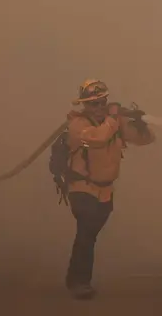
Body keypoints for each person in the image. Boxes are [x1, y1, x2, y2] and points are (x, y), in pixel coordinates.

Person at [62, 79, 155, 300]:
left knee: (90, 234)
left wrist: (141, 124)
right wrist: (114, 118)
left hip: (105, 191)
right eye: (93, 104)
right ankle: (80, 283)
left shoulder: (114, 123)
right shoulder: (78, 126)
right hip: (82, 188)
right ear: (84, 105)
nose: (99, 107)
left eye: (102, 102)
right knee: (86, 231)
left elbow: (145, 140)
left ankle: (74, 277)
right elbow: (98, 138)